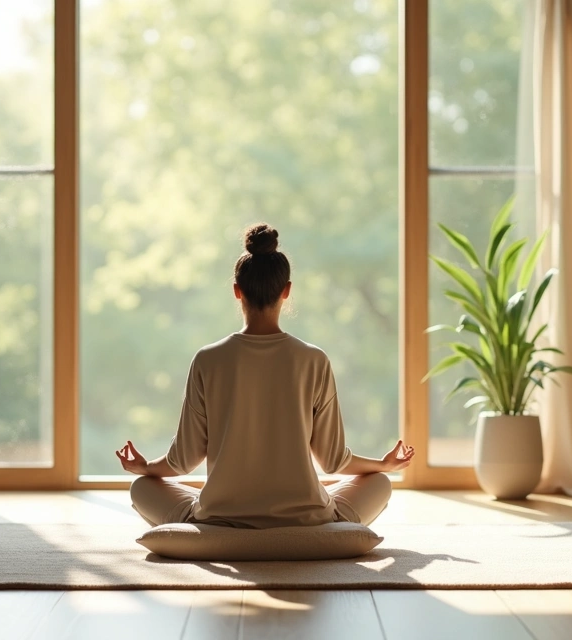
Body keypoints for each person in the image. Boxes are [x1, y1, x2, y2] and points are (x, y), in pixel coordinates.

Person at [116, 223, 415, 529]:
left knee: (142, 487)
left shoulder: (208, 359)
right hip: (305, 519)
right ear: (287, 290)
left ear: (237, 291)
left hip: (220, 518)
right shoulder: (314, 360)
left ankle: (220, 531)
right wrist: (383, 464)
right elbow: (333, 460)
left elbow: (183, 461)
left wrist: (145, 466)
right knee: (379, 482)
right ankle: (316, 529)